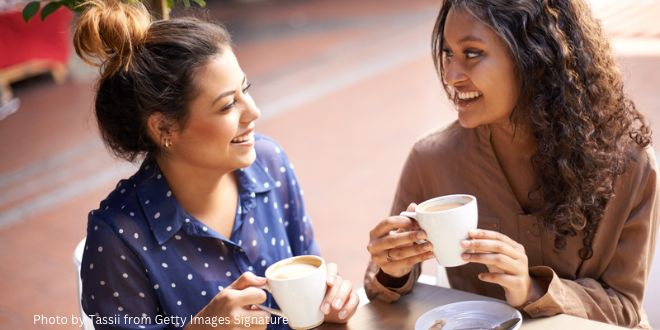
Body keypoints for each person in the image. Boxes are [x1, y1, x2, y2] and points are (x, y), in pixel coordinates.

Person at [364, 0, 659, 328]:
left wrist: (532, 289)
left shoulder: (628, 166)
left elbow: (625, 306)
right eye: (448, 53)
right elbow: (383, 292)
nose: (450, 75)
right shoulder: (432, 158)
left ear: (534, 56)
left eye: (472, 53)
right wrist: (392, 269)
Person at [74, 1, 358, 329]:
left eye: (245, 90)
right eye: (227, 105)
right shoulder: (118, 237)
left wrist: (330, 302)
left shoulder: (270, 164)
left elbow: (311, 270)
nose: (253, 112)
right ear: (163, 128)